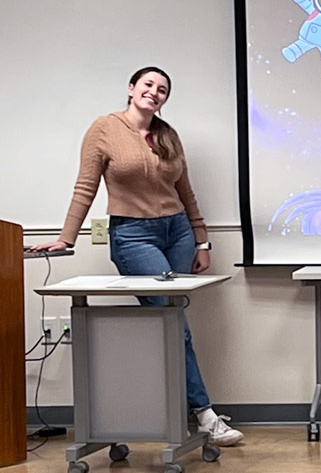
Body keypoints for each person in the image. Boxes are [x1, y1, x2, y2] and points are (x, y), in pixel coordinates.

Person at [31, 66, 244, 446]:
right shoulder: (104, 129)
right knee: (171, 320)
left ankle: (171, 416)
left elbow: (187, 192)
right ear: (131, 88)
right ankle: (205, 415)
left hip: (176, 231)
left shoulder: (167, 135)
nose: (154, 92)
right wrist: (65, 238)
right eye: (148, 85)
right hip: (132, 234)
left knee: (171, 320)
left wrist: (202, 241)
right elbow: (85, 186)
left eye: (162, 89)